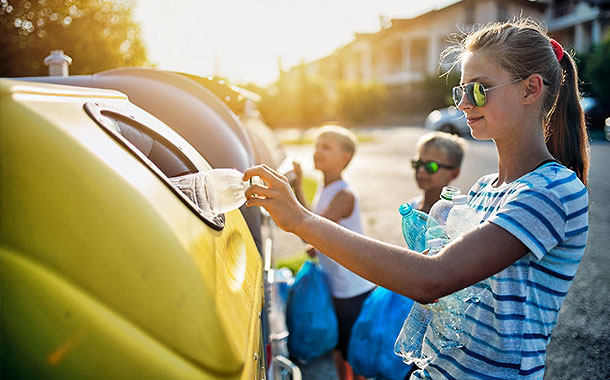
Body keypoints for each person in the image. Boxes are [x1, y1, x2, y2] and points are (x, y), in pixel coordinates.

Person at [244, 18, 589, 380]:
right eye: (461, 91)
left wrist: (301, 220)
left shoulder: (552, 192)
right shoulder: (486, 187)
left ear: (530, 89)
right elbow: (445, 286)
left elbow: (431, 279)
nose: (464, 104)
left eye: (479, 89)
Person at [288, 125, 375, 380]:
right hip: (335, 284)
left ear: (344, 159)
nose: (317, 151)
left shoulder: (344, 195)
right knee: (339, 347)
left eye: (326, 147)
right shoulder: (326, 189)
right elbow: (312, 224)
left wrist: (294, 192)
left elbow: (310, 228)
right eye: (316, 145)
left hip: (351, 287)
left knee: (353, 351)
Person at [408, 132, 465, 213]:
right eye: (418, 163)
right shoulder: (413, 205)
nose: (421, 170)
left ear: (453, 174)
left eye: (431, 166)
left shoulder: (454, 214)